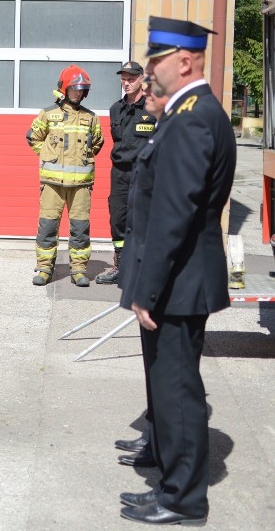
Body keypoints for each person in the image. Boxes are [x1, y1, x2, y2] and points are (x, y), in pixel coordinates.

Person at [117, 17, 236, 526]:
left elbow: (174, 214)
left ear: (184, 61)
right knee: (167, 386)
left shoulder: (191, 117)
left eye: (156, 61)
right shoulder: (185, 112)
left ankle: (183, 500)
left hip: (178, 280)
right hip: (176, 276)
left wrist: (147, 290)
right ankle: (169, 475)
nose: (149, 72)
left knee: (178, 391)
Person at [114, 77, 169, 470]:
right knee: (156, 371)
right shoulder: (158, 126)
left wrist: (148, 287)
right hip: (149, 275)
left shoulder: (184, 131)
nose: (140, 93)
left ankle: (178, 488)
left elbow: (174, 220)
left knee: (171, 376)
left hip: (168, 284)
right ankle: (154, 441)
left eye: (150, 87)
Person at [26, 65, 104, 287]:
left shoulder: (91, 118)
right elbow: (33, 138)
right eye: (75, 89)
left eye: (82, 90)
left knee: (80, 229)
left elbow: (97, 143)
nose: (78, 93)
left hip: (81, 186)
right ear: (64, 88)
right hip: (52, 184)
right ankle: (44, 268)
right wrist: (49, 154)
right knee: (48, 227)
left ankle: (78, 270)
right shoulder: (48, 115)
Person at [96, 62, 156, 285]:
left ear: (142, 79)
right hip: (120, 173)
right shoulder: (115, 109)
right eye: (123, 78)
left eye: (131, 78)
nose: (126, 82)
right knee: (118, 219)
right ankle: (120, 266)